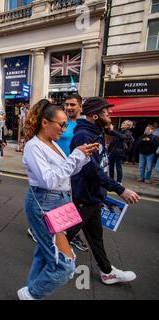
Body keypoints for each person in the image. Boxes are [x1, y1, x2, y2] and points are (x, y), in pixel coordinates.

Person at [17, 99, 99, 300]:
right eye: (61, 124)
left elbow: (65, 174)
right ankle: (31, 293)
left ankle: (30, 291)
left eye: (66, 124)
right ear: (45, 122)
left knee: (44, 255)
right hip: (44, 204)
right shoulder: (33, 146)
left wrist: (83, 156)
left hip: (60, 203)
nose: (64, 128)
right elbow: (49, 180)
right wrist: (74, 157)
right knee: (65, 265)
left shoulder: (52, 144)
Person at [67, 97, 140, 285]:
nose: (110, 114)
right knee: (66, 233)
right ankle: (47, 266)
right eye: (106, 112)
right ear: (94, 115)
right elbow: (92, 171)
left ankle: (107, 272)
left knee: (95, 237)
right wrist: (120, 189)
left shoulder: (97, 131)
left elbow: (112, 137)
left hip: (93, 196)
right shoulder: (84, 136)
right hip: (85, 195)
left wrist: (116, 132)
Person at [47, 93, 89, 252]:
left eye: (72, 105)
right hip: (58, 169)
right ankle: (55, 232)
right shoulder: (60, 122)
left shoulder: (83, 125)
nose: (69, 108)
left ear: (80, 106)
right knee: (57, 203)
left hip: (77, 169)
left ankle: (67, 233)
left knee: (72, 204)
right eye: (67, 105)